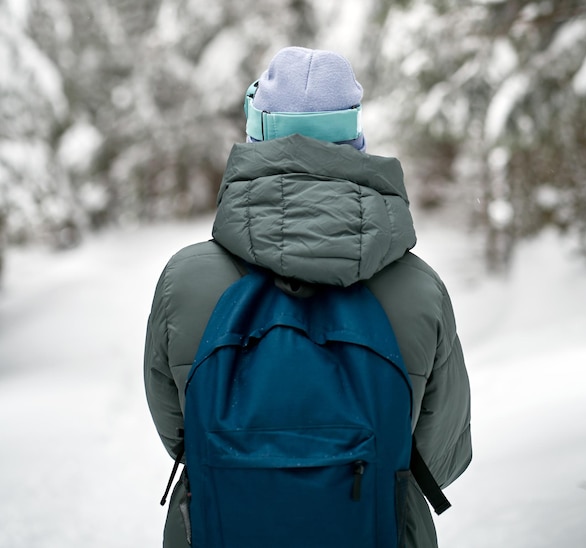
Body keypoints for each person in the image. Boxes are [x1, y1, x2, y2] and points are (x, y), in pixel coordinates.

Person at [144, 46, 472, 548]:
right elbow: (441, 459)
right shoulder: (419, 290)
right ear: (355, 140)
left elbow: (182, 437)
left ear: (255, 138)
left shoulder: (184, 281)